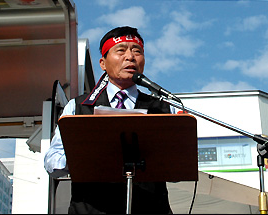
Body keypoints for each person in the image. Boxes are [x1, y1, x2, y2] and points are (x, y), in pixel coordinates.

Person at [44, 26, 175, 214]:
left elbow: (176, 168)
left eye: (137, 51)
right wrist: (80, 158)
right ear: (103, 63)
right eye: (121, 51)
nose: (130, 57)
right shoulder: (78, 107)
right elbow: (51, 162)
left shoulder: (161, 108)